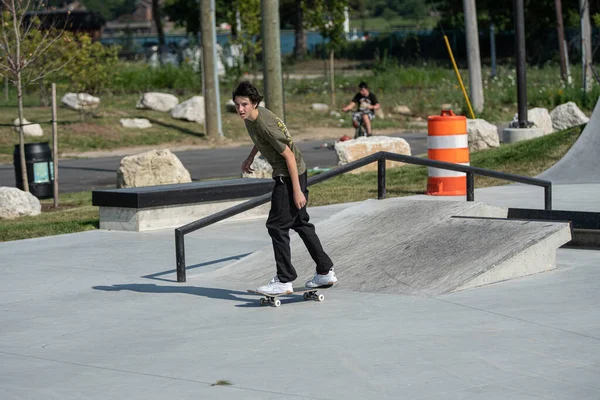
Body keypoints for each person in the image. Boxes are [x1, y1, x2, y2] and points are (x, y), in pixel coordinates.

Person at [232, 81, 337, 295]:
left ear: (254, 104)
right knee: (300, 222)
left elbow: (288, 154)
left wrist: (297, 190)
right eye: (237, 105)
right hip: (297, 170)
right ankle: (325, 271)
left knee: (277, 226)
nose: (240, 109)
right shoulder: (254, 118)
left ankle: (284, 279)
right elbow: (262, 140)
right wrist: (251, 156)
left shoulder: (263, 123)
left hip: (288, 175)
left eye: (244, 104)